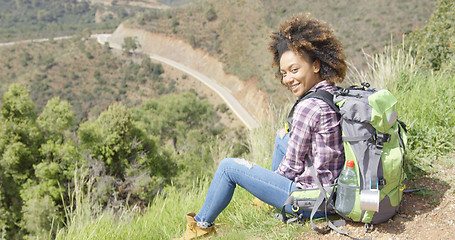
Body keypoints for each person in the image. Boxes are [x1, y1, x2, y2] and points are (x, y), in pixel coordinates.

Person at [174, 13, 347, 240]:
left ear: (315, 65)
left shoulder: (309, 107)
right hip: (331, 189)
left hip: (311, 201)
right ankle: (268, 204)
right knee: (282, 137)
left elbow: (291, 167)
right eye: (284, 73)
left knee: (228, 167)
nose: (288, 79)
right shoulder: (329, 91)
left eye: (295, 70)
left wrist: (264, 183)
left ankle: (200, 227)